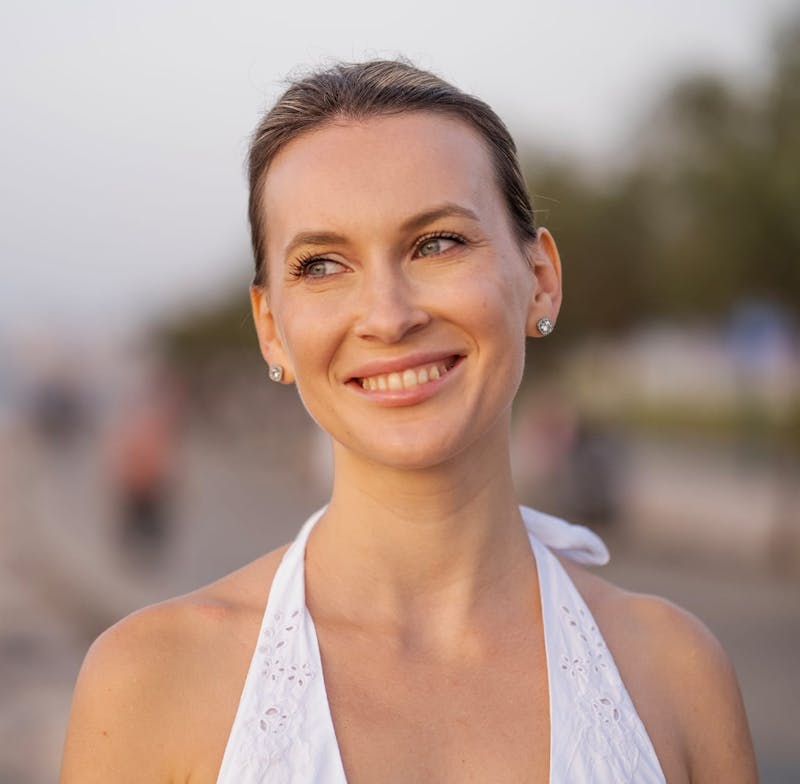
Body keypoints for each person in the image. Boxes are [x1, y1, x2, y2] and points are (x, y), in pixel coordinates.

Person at [60, 60, 757, 783]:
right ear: (271, 329)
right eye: (323, 265)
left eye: (438, 243)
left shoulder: (678, 675)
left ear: (540, 279)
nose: (390, 317)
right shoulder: (149, 683)